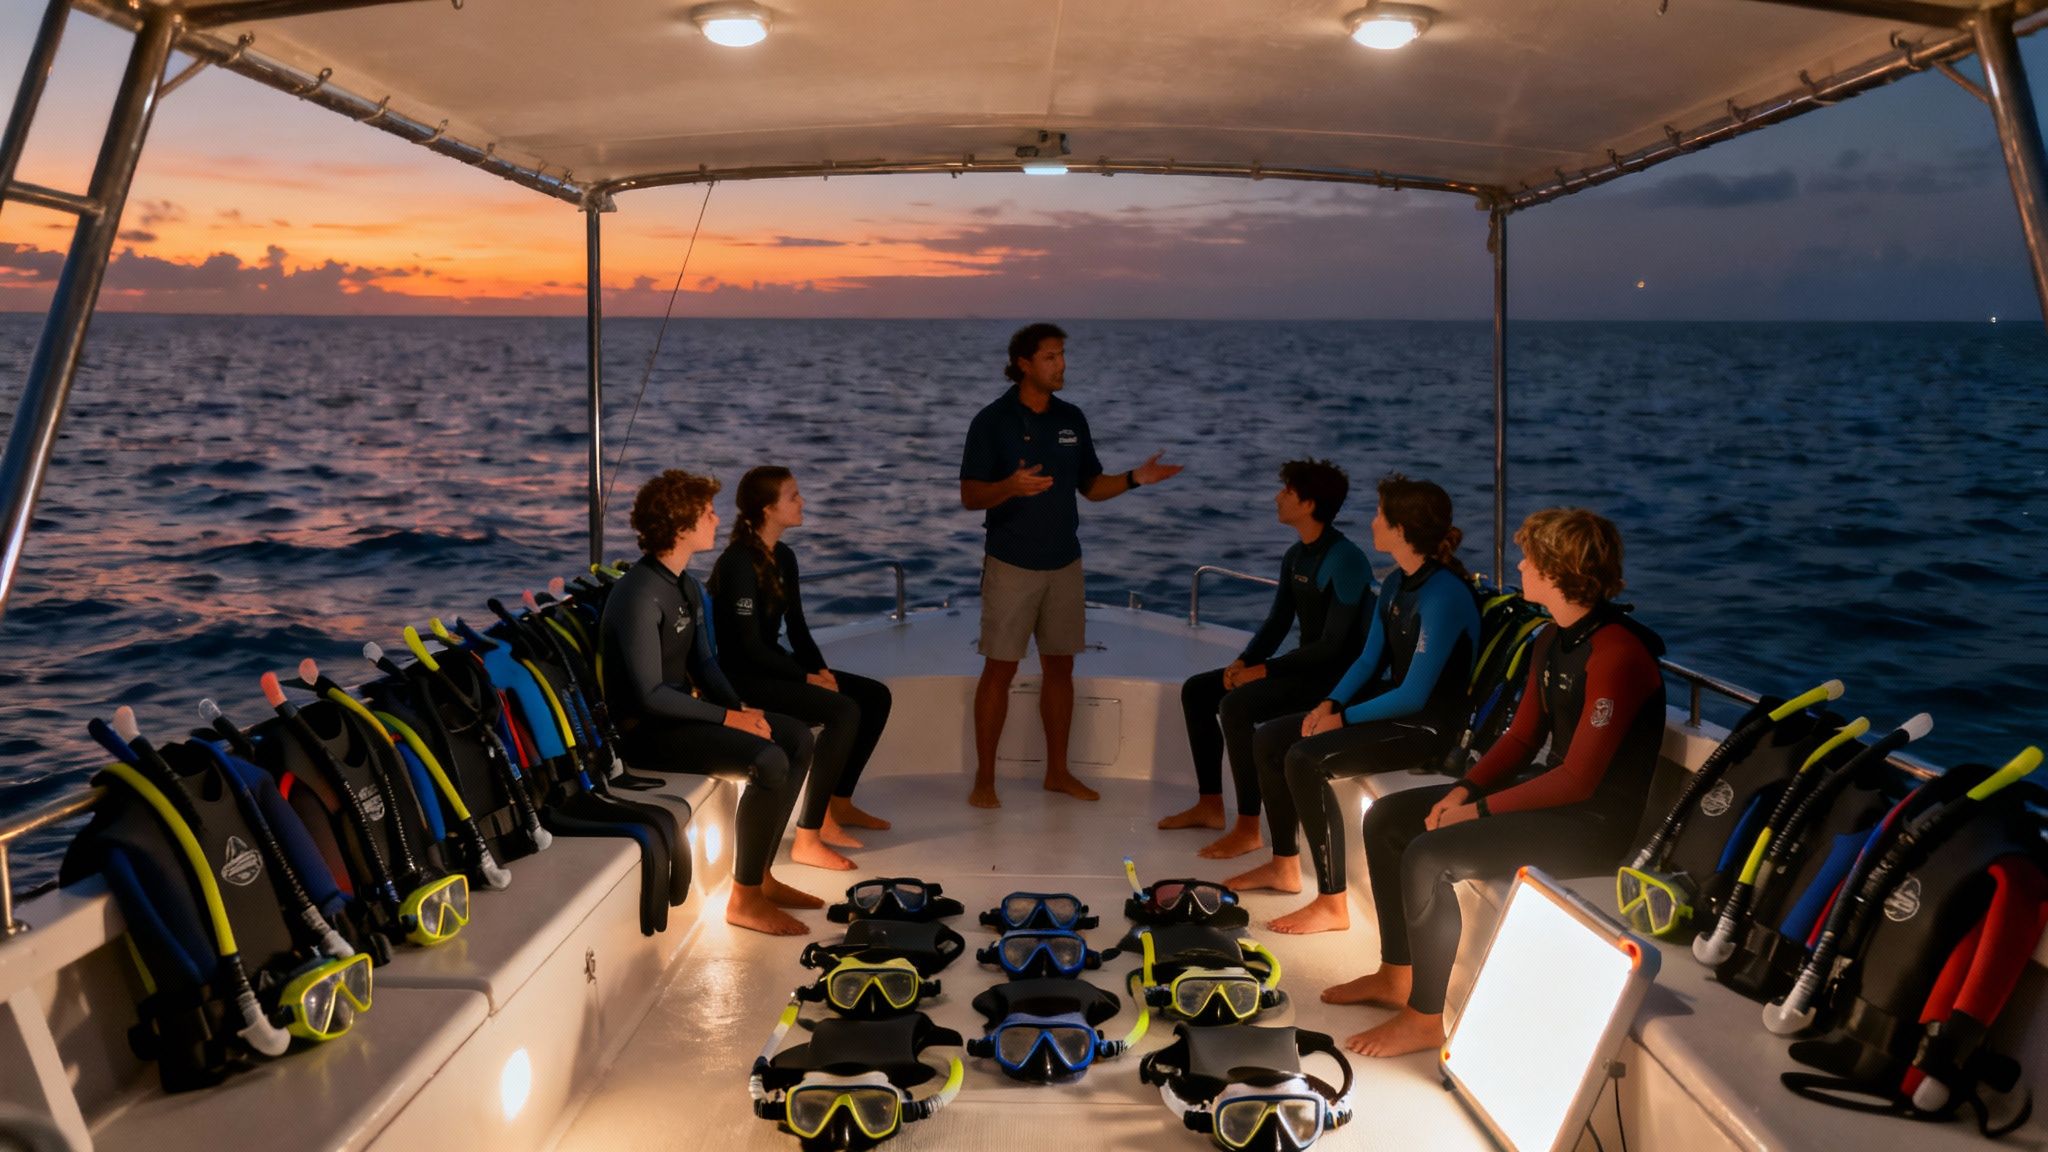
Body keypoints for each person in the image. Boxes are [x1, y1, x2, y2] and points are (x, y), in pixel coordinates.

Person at [1326, 508, 1666, 1057]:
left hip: (1593, 825)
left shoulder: (1619, 654)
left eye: (1531, 558)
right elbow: (1521, 741)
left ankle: (1425, 1018)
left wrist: (1477, 813)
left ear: (1560, 570)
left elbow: (1579, 780)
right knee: (1390, 819)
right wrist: (1462, 792)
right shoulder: (1551, 639)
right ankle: (1396, 974)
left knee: (1429, 856)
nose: (1522, 566)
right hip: (1550, 792)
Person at [1226, 474, 1481, 935]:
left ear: (1402, 530)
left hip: (1427, 729)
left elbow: (1415, 694)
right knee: (1270, 738)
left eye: (1381, 515)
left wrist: (1341, 719)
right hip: (1394, 711)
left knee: (1304, 758)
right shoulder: (1396, 585)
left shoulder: (1444, 595)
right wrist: (1329, 703)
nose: (1372, 521)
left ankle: (1331, 902)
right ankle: (1284, 864)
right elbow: (1368, 660)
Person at [958, 322, 1182, 809]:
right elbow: (970, 495)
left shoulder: (1071, 419)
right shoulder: (992, 421)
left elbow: (1092, 487)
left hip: (1066, 563)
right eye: (1050, 358)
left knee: (1061, 667)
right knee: (1000, 668)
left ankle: (1058, 773)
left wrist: (1135, 479)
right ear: (1024, 363)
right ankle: (984, 780)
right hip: (1011, 562)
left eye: (1062, 356)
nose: (1061, 365)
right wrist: (1009, 488)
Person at [598, 468, 825, 937]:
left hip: (684, 716)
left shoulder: (687, 586)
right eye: (707, 512)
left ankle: (761, 874)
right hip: (647, 733)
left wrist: (741, 709)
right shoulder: (638, 595)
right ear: (681, 526)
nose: (717, 519)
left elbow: (706, 665)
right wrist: (729, 719)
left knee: (796, 736)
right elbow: (649, 695)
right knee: (769, 761)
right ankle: (744, 900)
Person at [1159, 459, 1372, 859]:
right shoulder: (1296, 556)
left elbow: (1333, 646)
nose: (1278, 497)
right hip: (1302, 668)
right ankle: (1209, 805)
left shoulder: (1345, 559)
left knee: (1237, 707)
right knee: (1199, 690)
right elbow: (1277, 623)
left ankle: (1248, 828)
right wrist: (1242, 662)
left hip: (1334, 682)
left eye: (1287, 492)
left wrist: (1265, 670)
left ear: (1308, 504)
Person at [709, 465, 896, 855]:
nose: (802, 502)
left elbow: (797, 627)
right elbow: (747, 646)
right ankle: (811, 831)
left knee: (874, 696)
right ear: (766, 509)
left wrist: (819, 669)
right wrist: (806, 679)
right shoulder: (738, 563)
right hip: (744, 678)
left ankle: (839, 802)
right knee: (843, 712)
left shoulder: (784, 556)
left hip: (776, 666)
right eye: (793, 496)